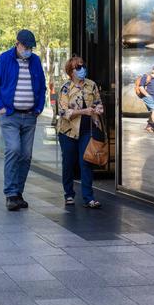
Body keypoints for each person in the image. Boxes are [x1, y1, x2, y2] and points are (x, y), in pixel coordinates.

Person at [0, 29, 47, 211]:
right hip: (10, 115)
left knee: (26, 155)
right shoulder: (5, 59)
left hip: (30, 115)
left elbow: (42, 86)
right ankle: (11, 193)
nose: (28, 50)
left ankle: (18, 193)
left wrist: (38, 108)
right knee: (13, 149)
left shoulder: (35, 61)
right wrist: (1, 107)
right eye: (26, 46)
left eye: (31, 47)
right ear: (17, 44)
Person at [57, 56, 104, 209]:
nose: (82, 69)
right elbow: (63, 112)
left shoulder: (92, 85)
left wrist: (98, 109)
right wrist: (84, 111)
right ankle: (69, 194)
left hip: (87, 130)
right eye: (78, 67)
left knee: (86, 162)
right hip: (68, 131)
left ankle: (88, 198)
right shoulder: (65, 88)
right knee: (69, 163)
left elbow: (98, 103)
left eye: (82, 66)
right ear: (71, 71)